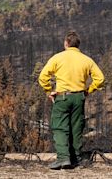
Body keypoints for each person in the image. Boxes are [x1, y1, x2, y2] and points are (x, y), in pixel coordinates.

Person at [39, 31, 105, 169]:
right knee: (76, 128)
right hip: (79, 97)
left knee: (60, 127)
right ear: (78, 45)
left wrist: (48, 91)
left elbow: (43, 77)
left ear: (66, 43)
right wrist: (89, 90)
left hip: (62, 96)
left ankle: (63, 158)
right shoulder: (87, 60)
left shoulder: (58, 58)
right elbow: (100, 79)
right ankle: (76, 158)